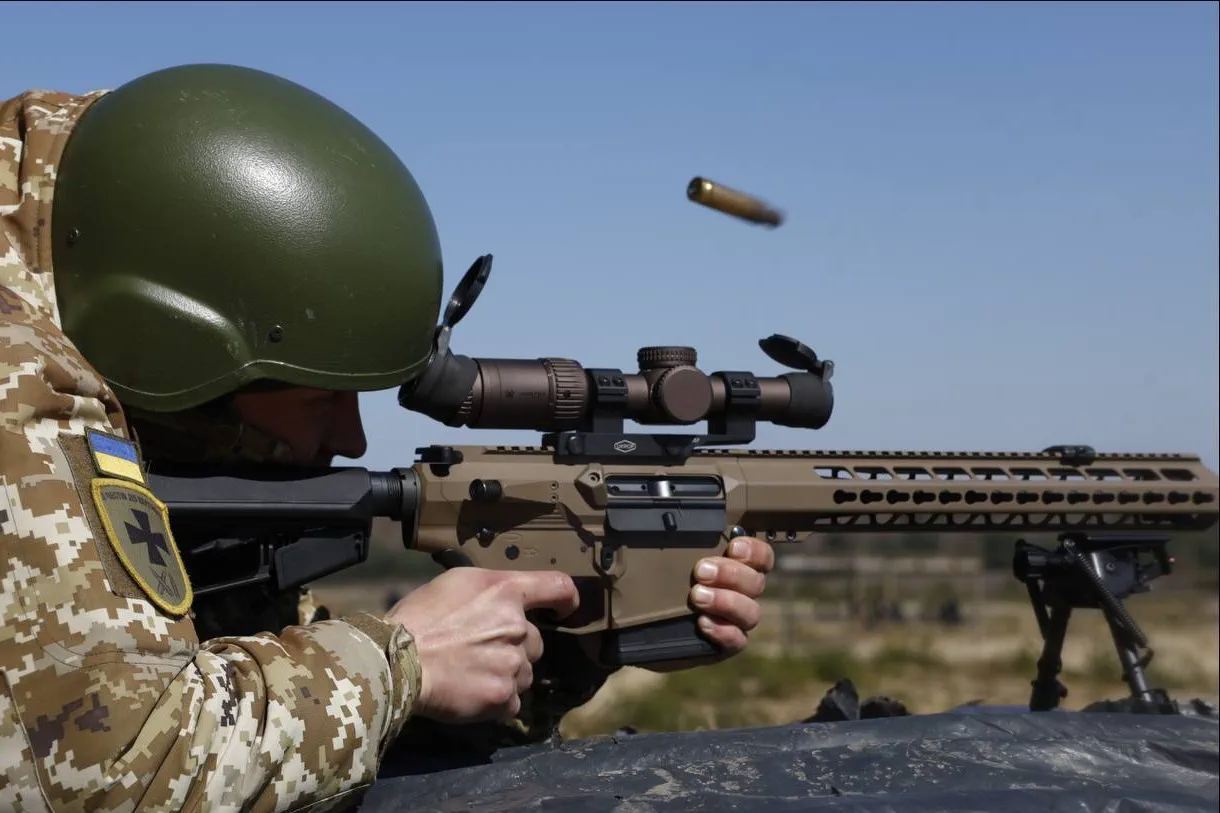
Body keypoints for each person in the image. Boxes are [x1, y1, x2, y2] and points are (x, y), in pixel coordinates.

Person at [0, 64, 776, 810]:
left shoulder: (100, 254)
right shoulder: (16, 366)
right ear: (170, 354)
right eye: (319, 399)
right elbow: (102, 776)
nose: (352, 434)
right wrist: (398, 658)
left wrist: (576, 634)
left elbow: (262, 733)